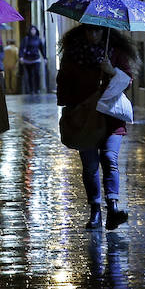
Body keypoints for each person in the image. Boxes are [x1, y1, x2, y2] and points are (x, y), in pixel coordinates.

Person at [56, 24, 140, 231]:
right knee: (91, 165)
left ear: (104, 32)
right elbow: (63, 82)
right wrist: (73, 105)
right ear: (83, 32)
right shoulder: (74, 54)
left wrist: (111, 71)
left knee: (110, 158)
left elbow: (127, 80)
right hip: (85, 118)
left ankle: (113, 207)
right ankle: (95, 210)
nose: (94, 35)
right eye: (90, 31)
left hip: (111, 117)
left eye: (98, 31)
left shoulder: (115, 52)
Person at [19, 25, 46, 94]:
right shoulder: (26, 39)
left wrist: (45, 57)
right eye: (32, 30)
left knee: (37, 73)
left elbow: (42, 49)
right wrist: (21, 57)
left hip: (36, 59)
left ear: (36, 31)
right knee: (30, 75)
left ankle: (37, 89)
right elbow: (21, 48)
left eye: (34, 30)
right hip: (27, 59)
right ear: (29, 31)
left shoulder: (38, 39)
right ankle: (31, 90)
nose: (33, 31)